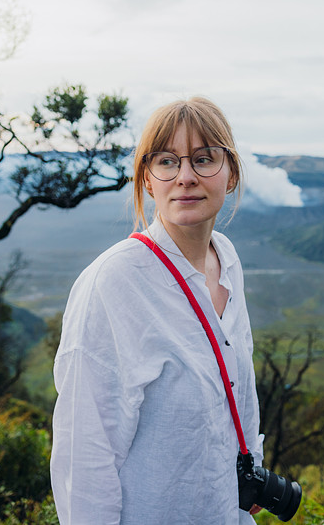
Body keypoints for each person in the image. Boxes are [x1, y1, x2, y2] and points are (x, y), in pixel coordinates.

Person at [50, 97, 264, 524]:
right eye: (167, 161)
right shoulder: (113, 284)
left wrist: (251, 463)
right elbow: (85, 455)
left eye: (205, 159)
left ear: (232, 173)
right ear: (148, 179)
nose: (185, 177)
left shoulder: (227, 260)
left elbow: (240, 383)